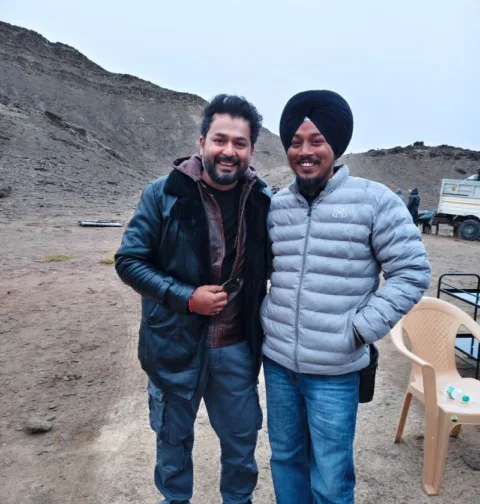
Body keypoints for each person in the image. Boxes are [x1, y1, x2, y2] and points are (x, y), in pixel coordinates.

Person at [260, 90, 431, 504]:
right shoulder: (277, 207)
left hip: (335, 371)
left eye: (316, 141)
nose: (305, 151)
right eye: (296, 142)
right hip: (279, 365)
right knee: (285, 459)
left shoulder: (375, 201)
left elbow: (412, 271)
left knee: (332, 477)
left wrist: (359, 329)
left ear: (335, 145)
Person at [115, 94, 271, 504]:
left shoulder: (262, 200)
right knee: (173, 442)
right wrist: (186, 298)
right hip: (174, 347)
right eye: (220, 140)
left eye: (239, 143)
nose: (229, 150)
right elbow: (129, 261)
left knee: (241, 445)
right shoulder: (163, 193)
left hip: (235, 347)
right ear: (202, 142)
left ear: (251, 150)